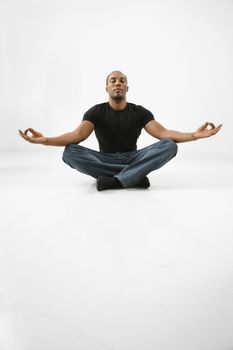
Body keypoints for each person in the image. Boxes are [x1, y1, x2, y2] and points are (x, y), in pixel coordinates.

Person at [19, 70, 222, 191]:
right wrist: (45, 139)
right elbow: (76, 136)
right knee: (70, 152)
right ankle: (133, 177)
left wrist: (195, 136)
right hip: (104, 159)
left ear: (127, 88)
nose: (117, 83)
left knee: (169, 146)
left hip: (133, 157)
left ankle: (116, 181)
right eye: (113, 81)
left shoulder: (140, 112)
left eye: (122, 81)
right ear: (107, 88)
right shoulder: (96, 111)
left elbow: (163, 134)